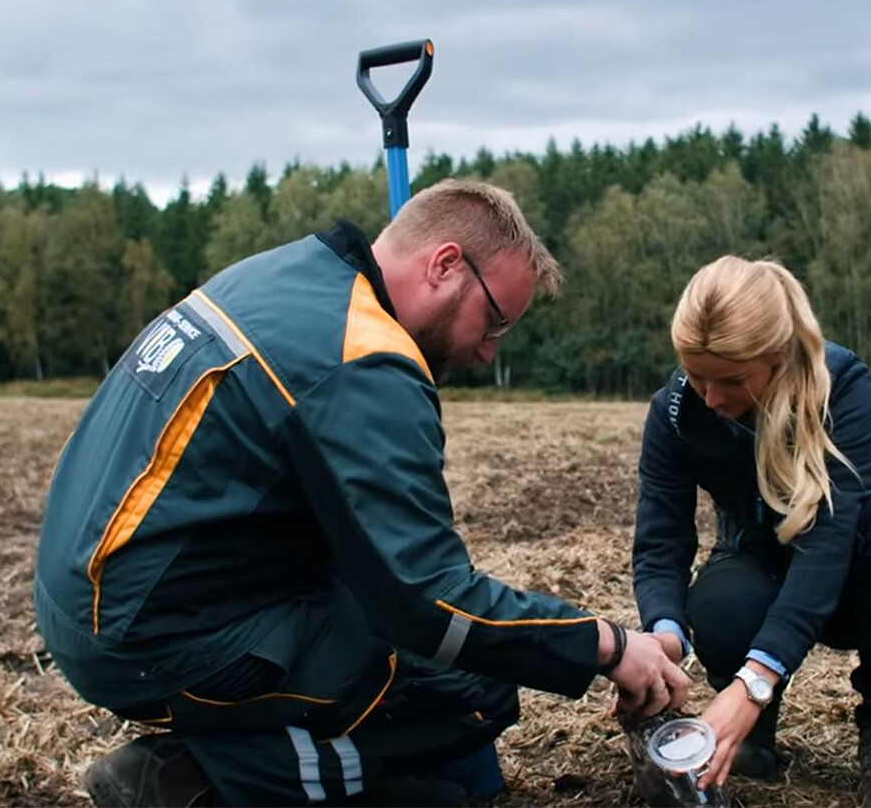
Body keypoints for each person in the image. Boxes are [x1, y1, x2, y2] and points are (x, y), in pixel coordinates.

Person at [34, 179, 689, 808]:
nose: (488, 352)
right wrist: (603, 644)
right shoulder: (363, 359)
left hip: (98, 594)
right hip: (145, 636)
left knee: (451, 669)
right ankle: (193, 778)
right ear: (446, 264)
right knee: (472, 690)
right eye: (493, 322)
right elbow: (429, 602)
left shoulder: (285, 274)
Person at [631, 256, 871, 807]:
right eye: (694, 374)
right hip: (755, 569)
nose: (710, 397)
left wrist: (754, 680)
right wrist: (663, 636)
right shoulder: (675, 414)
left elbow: (828, 542)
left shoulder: (842, 388)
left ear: (777, 359)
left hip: (849, 578)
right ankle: (755, 737)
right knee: (720, 601)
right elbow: (662, 543)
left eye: (730, 380)